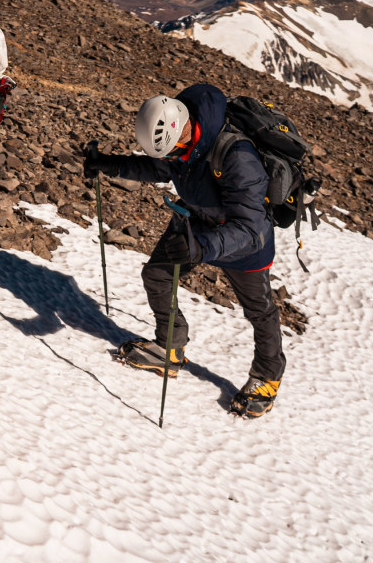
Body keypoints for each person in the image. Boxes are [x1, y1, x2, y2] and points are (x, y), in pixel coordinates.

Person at [84, 83, 285, 418]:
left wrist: (200, 248)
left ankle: (267, 375)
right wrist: (111, 164)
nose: (170, 159)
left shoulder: (238, 157)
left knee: (259, 310)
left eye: (171, 152)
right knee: (157, 275)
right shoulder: (185, 145)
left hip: (243, 242)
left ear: (182, 134)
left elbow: (249, 228)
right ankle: (169, 350)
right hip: (197, 220)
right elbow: (161, 168)